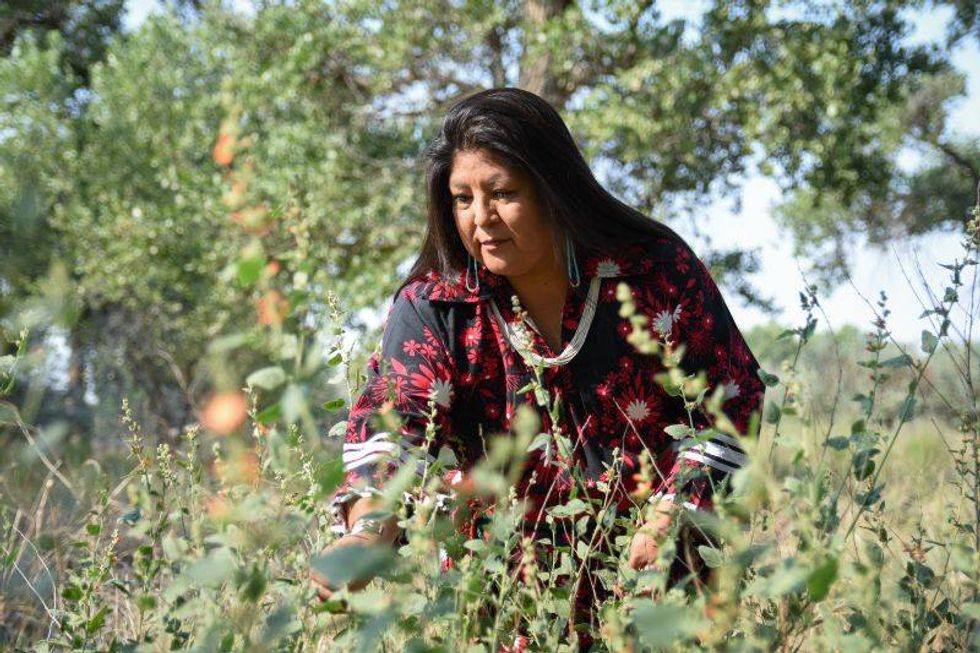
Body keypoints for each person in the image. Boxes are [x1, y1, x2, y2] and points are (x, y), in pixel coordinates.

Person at [310, 87, 765, 645]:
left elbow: (730, 402)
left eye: (502, 192)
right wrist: (368, 532)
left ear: (553, 188)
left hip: (661, 592)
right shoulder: (436, 306)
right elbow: (397, 425)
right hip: (508, 601)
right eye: (462, 199)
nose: (482, 219)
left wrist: (673, 515)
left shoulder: (654, 273)